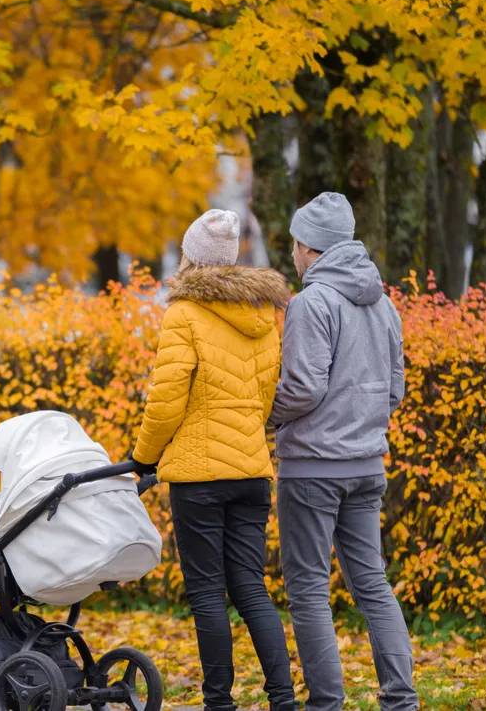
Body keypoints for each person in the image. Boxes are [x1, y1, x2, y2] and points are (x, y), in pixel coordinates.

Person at [132, 209, 297, 711]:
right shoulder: (266, 316)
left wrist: (143, 458)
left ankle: (218, 702)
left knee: (207, 593)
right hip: (250, 470)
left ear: (193, 258)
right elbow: (268, 395)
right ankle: (284, 699)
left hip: (198, 477)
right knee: (251, 588)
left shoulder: (183, 313)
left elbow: (166, 400)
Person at [269, 192, 418, 711]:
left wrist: (265, 417)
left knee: (309, 590)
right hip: (367, 466)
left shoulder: (311, 304)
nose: (292, 251)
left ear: (309, 247)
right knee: (373, 584)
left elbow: (303, 388)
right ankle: (401, 700)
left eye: (294, 242)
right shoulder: (384, 303)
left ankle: (326, 704)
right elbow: (396, 389)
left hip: (311, 468)